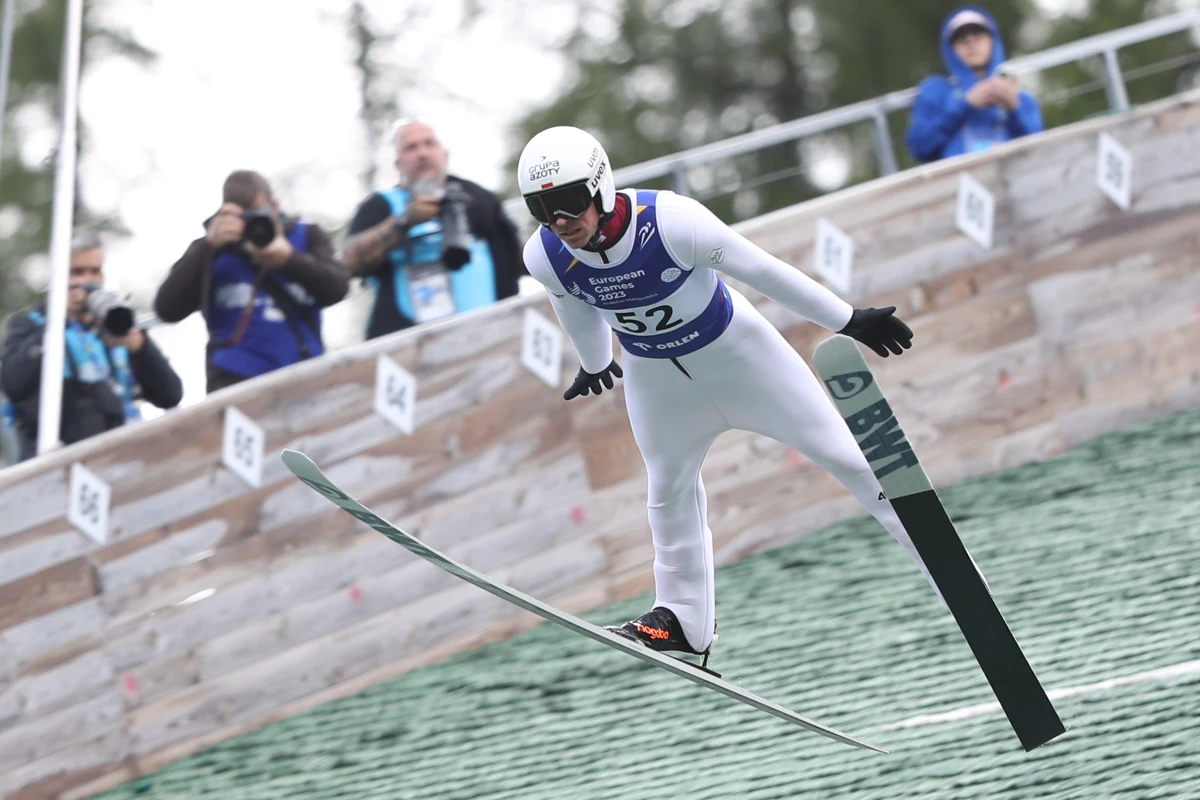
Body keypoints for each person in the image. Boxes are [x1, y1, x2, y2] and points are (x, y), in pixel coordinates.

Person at [517, 126, 951, 660]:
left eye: (566, 201)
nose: (559, 221)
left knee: (851, 460)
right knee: (668, 490)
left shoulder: (673, 221)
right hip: (656, 377)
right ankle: (682, 619)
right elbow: (571, 304)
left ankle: (949, 573)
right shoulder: (545, 255)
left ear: (602, 187)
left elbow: (763, 270)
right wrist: (595, 361)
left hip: (740, 357)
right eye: (541, 208)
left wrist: (848, 318)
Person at [154, 171, 349, 393]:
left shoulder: (305, 236)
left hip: (304, 378)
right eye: (241, 217)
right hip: (235, 385)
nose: (249, 225)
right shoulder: (211, 250)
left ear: (275, 207)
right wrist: (207, 247)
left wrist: (288, 260)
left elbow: (338, 288)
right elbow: (167, 309)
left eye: (258, 214)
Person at [1, 228, 183, 461]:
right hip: (58, 466)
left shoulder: (114, 323)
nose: (87, 282)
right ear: (57, 275)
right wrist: (58, 326)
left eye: (95, 271)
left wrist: (138, 346)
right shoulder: (32, 326)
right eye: (77, 272)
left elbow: (170, 395)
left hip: (122, 458)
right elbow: (12, 382)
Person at [342, 121, 523, 340]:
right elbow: (349, 262)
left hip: (491, 337)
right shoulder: (381, 206)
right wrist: (404, 222)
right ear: (397, 163)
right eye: (411, 147)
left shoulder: (479, 199)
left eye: (429, 144)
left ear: (444, 154)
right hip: (411, 349)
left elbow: (520, 257)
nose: (422, 153)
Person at [905, 6, 1044, 163]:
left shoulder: (1019, 97)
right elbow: (919, 149)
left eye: (978, 33)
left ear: (993, 40)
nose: (970, 42)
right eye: (960, 37)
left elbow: (1038, 152)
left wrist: (1014, 108)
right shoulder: (936, 92)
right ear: (950, 48)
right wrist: (965, 105)